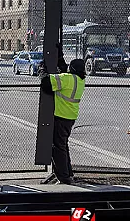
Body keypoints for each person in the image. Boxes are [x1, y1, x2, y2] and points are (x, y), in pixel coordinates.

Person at [39, 46, 86, 185]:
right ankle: (68, 173)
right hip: (69, 117)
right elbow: (65, 69)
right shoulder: (79, 79)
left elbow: (45, 82)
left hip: (61, 117)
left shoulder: (67, 79)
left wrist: (42, 69)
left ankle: (64, 177)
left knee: (58, 148)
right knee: (62, 146)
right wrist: (60, 57)